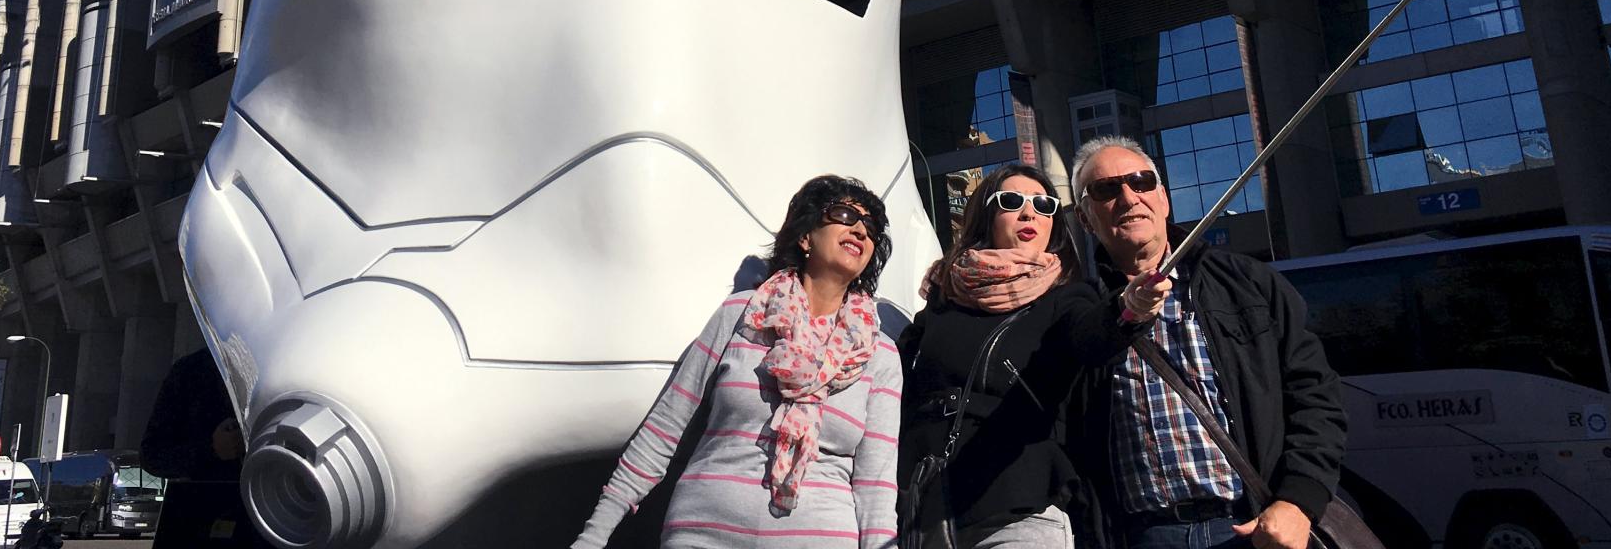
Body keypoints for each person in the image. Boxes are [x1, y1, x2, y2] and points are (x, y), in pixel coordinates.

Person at [572, 175, 904, 548]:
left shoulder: (880, 355)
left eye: (871, 227)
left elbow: (875, 484)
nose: (860, 229)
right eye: (844, 214)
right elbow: (663, 430)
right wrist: (593, 537)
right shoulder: (741, 315)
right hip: (703, 533)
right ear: (806, 236)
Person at [1064, 136, 1346, 549]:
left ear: (1163, 198)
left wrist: (1298, 501)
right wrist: (1126, 312)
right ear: (1086, 219)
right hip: (1143, 535)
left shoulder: (1247, 282)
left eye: (1141, 182)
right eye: (1106, 189)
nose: (1128, 197)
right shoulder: (1078, 308)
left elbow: (1315, 394)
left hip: (1253, 525)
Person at [899, 164, 1169, 549]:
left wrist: (1129, 310)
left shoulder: (1068, 298)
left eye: (1044, 205)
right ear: (986, 216)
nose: (1030, 213)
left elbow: (1095, 336)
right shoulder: (945, 296)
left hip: (1018, 506)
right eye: (1012, 202)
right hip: (929, 508)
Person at [140, 347, 243, 482]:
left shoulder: (275, 366)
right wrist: (211, 449)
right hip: (211, 495)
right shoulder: (192, 370)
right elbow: (151, 455)